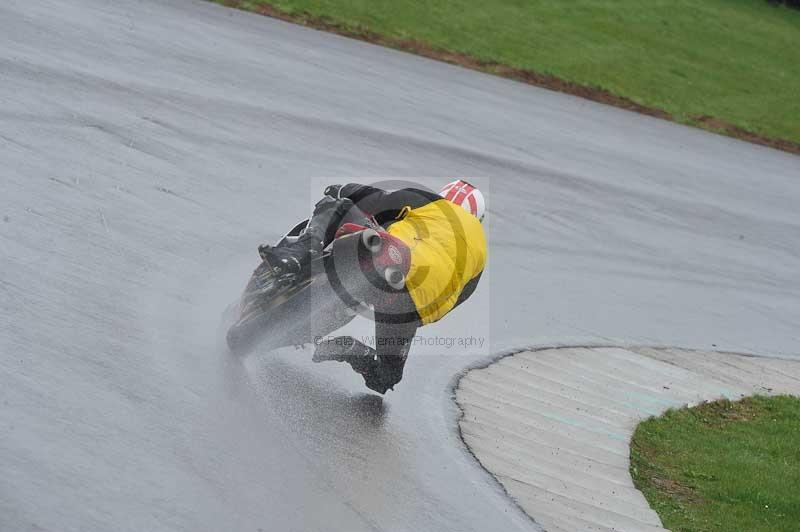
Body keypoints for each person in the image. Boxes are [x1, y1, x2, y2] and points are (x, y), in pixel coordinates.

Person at [258, 180, 487, 394]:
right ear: (478, 218)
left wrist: (340, 190)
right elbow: (451, 301)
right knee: (386, 378)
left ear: (444, 196)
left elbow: (372, 199)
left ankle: (297, 254)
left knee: (336, 207)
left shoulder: (431, 202)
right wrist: (411, 315)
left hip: (388, 255)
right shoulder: (481, 254)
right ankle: (355, 352)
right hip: (409, 304)